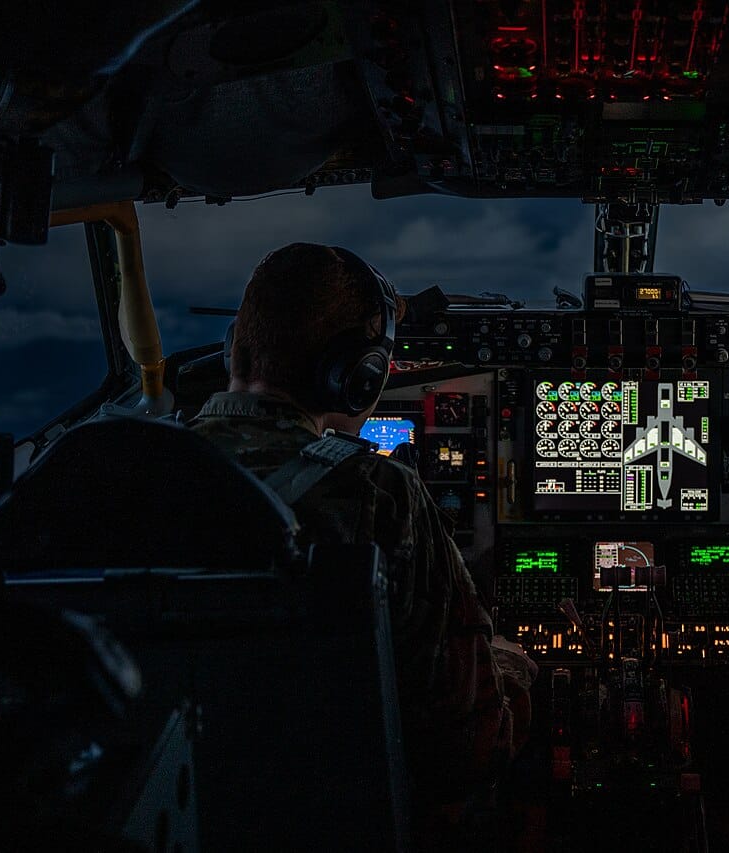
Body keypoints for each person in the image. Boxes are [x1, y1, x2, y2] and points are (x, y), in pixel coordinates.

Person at [189, 242, 535, 834]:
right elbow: (471, 749)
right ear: (357, 375)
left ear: (234, 348)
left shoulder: (117, 469)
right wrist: (510, 664)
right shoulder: (380, 494)